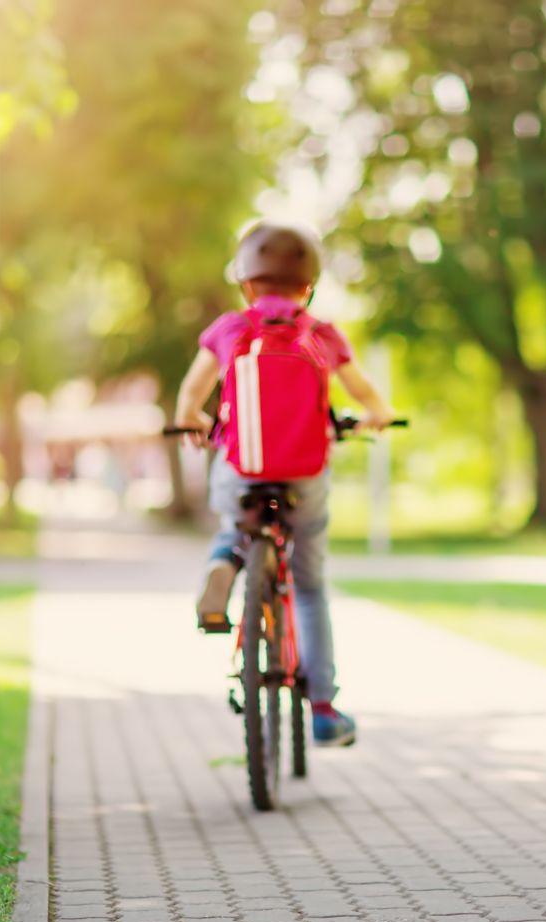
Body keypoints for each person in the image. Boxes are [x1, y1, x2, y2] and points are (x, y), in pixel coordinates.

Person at [173, 220, 396, 747]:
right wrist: (378, 415)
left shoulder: (231, 328)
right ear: (309, 285)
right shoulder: (321, 334)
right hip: (305, 474)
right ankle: (322, 708)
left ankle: (224, 561)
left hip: (241, 467)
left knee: (234, 521)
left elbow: (190, 394)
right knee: (311, 583)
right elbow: (365, 393)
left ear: (246, 283)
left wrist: (194, 420)